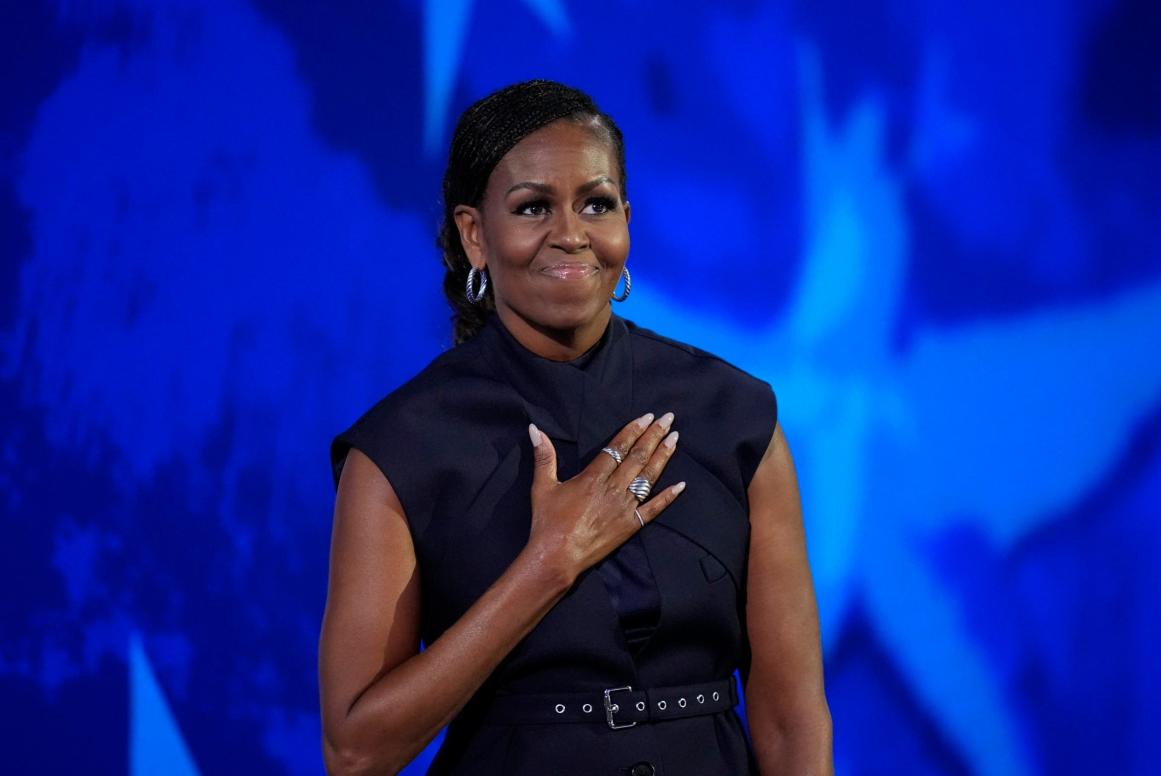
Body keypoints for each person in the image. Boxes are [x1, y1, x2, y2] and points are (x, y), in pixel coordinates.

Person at [320, 80, 833, 775]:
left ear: (626, 218)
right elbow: (355, 751)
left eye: (596, 204)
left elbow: (790, 719)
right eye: (533, 207)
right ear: (475, 235)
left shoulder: (734, 417)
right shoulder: (399, 450)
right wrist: (548, 563)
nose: (570, 233)